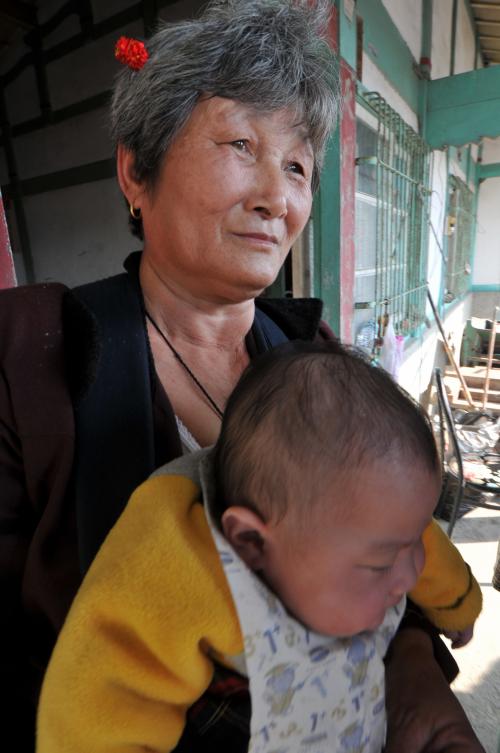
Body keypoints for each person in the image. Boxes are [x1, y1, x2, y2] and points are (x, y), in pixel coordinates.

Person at [0, 1, 484, 751]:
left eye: (297, 165)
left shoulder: (314, 356)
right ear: (136, 170)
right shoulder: (30, 353)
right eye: (239, 144)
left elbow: (383, 544)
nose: (277, 197)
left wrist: (414, 669)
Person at [37, 340, 482, 753]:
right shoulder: (180, 579)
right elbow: (100, 703)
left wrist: (455, 606)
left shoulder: (370, 506)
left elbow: (420, 538)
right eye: (383, 562)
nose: (409, 575)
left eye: (410, 544)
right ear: (250, 542)